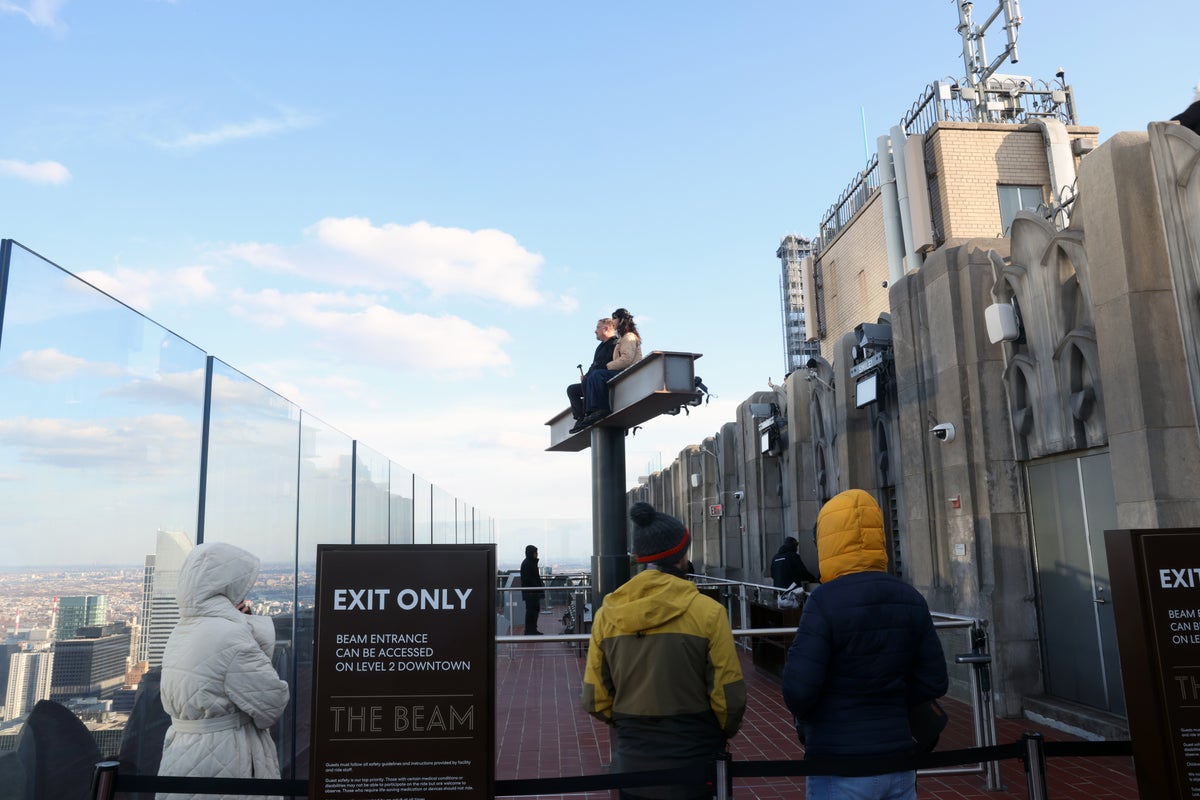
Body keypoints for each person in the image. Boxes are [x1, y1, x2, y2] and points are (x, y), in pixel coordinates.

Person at [781, 489, 948, 800]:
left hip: (838, 759)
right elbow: (935, 678)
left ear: (829, 540)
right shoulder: (910, 597)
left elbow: (798, 691)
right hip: (898, 756)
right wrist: (892, 698)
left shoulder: (823, 602)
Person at [583, 502, 746, 800]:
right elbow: (730, 697)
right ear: (682, 556)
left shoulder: (607, 614)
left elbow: (594, 698)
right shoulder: (708, 612)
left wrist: (628, 724)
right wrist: (714, 732)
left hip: (632, 763)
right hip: (695, 761)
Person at [157, 541, 289, 800]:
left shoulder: (181, 630)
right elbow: (271, 704)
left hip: (180, 755)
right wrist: (247, 626)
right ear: (227, 586)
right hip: (228, 760)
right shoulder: (230, 636)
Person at [578, 308, 643, 428]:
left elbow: (626, 359)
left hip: (627, 372)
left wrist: (608, 366)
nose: (613, 321)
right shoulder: (622, 338)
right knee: (592, 377)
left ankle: (602, 408)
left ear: (621, 320)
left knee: (597, 375)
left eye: (614, 318)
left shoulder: (628, 337)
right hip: (621, 371)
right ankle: (587, 413)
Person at [568, 318, 619, 433]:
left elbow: (607, 365)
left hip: (602, 380)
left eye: (597, 327)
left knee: (594, 377)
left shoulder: (615, 344)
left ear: (605, 328)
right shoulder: (600, 347)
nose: (595, 331)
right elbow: (594, 365)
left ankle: (595, 410)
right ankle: (581, 418)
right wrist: (586, 376)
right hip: (593, 379)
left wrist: (591, 376)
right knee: (572, 390)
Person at [520, 544, 545, 635]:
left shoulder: (530, 563)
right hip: (531, 593)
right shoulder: (528, 564)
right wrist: (536, 587)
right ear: (531, 553)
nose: (537, 554)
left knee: (534, 611)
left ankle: (532, 630)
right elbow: (528, 579)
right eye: (535, 552)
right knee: (531, 611)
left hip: (532, 593)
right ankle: (529, 630)